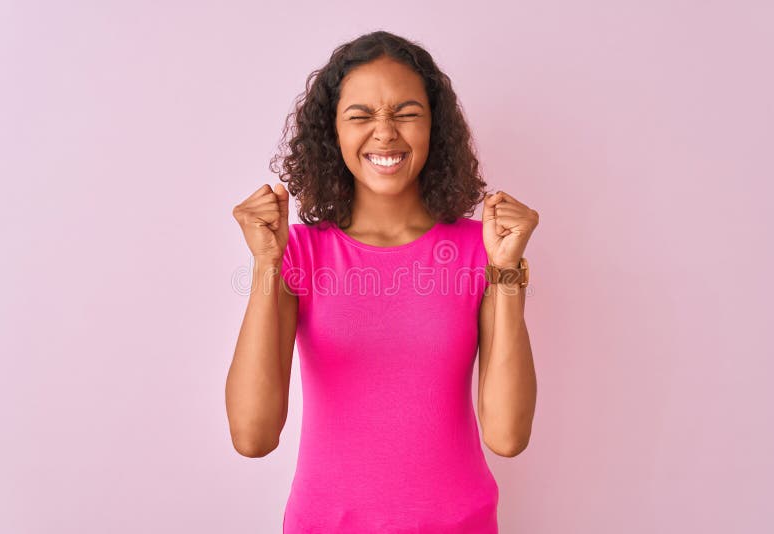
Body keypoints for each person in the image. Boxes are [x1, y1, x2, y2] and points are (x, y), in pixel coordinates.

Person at [226, 30, 539, 533]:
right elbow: (252, 435)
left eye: (406, 113)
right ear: (333, 132)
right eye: (361, 116)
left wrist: (507, 275)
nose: (385, 133)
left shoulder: (484, 250)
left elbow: (506, 436)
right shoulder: (298, 253)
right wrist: (266, 265)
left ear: (434, 127)